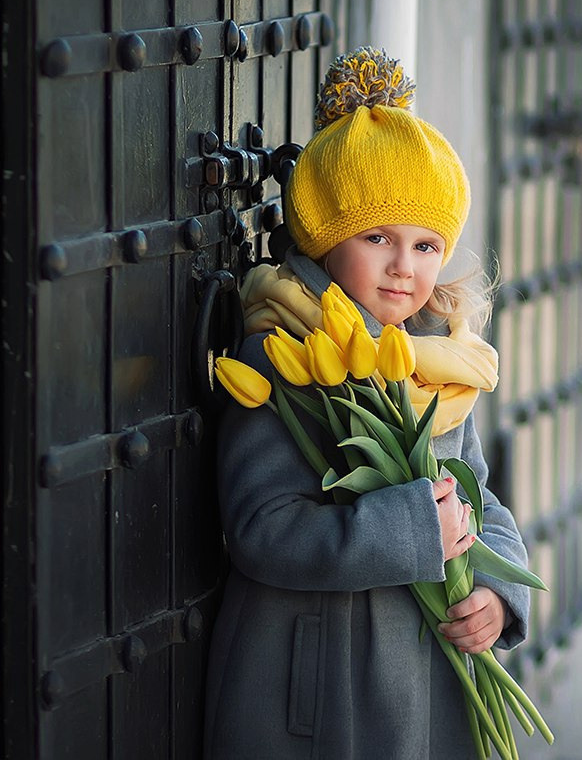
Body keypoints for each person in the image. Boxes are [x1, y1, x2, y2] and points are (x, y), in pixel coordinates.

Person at [203, 47, 531, 759]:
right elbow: (262, 527)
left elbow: (478, 499)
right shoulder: (286, 355)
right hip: (323, 694)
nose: (402, 265)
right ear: (325, 240)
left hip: (426, 671)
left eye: (425, 244)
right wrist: (410, 530)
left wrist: (499, 594)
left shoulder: (438, 362)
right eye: (376, 237)